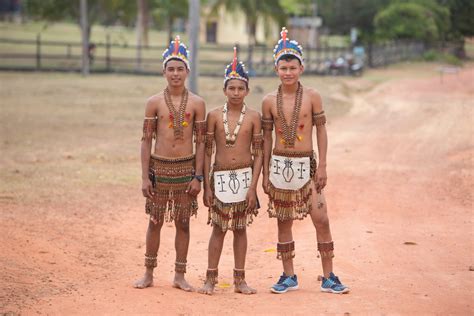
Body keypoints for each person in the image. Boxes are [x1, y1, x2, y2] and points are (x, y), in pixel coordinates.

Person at [261, 27, 349, 294]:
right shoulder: (268, 101)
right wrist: (265, 173)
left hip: (307, 167)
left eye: (292, 67)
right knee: (283, 221)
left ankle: (329, 275)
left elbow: (320, 130)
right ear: (276, 69)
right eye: (283, 67)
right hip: (279, 167)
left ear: (301, 68)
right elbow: (265, 139)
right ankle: (288, 275)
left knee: (321, 218)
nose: (288, 72)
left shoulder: (312, 97)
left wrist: (322, 165)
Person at [134, 36, 206, 291]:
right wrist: (145, 177)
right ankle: (148, 272)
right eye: (171, 69)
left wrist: (198, 177)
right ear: (163, 71)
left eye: (180, 69)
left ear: (188, 71)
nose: (175, 74)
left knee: (183, 222)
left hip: (185, 170)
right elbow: (146, 141)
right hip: (159, 169)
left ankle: (179, 274)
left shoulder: (197, 103)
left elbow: (202, 144)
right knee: (154, 220)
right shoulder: (154, 102)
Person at [197, 48, 262, 295]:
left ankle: (240, 280)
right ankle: (210, 279)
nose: (236, 93)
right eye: (231, 88)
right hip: (220, 178)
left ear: (247, 90)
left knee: (241, 228)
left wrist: (253, 188)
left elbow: (260, 155)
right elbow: (206, 151)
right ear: (224, 89)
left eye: (240, 88)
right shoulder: (214, 116)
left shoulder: (254, 117)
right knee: (218, 228)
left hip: (245, 179)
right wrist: (206, 185)